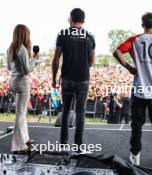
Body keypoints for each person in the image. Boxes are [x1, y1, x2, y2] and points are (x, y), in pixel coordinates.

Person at [113, 12, 152, 167]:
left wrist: (130, 68)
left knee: (136, 125)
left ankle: (135, 155)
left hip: (139, 90)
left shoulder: (135, 40)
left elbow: (117, 52)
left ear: (142, 25)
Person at [52, 8, 95, 152]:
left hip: (67, 78)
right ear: (83, 20)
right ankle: (78, 147)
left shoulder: (63, 34)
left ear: (71, 19)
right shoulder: (90, 36)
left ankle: (63, 145)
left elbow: (56, 59)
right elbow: (92, 61)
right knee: (80, 113)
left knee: (65, 112)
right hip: (83, 78)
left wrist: (54, 78)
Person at [7, 24, 34, 153]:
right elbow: (26, 71)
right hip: (22, 82)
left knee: (21, 113)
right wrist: (34, 60)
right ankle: (18, 145)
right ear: (25, 35)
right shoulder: (22, 49)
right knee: (21, 114)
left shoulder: (10, 48)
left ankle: (26, 139)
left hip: (12, 81)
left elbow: (9, 67)